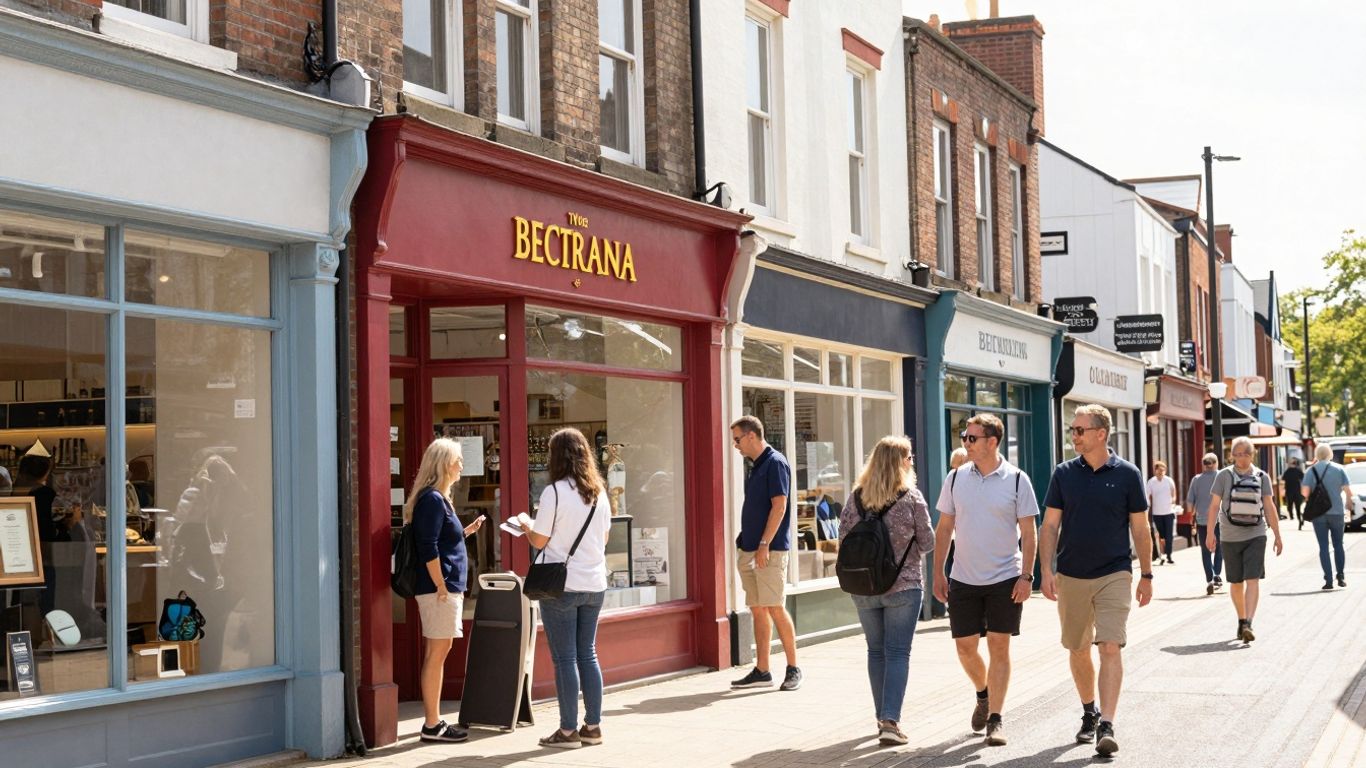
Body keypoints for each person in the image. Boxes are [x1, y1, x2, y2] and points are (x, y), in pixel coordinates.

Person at [1039, 404, 1152, 758]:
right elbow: (1050, 526)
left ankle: (1108, 724)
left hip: (1115, 572)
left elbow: (1141, 528)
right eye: (1072, 430)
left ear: (1101, 434)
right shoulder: (1063, 474)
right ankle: (1089, 711)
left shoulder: (1128, 474)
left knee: (1110, 646)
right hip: (1071, 574)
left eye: (1079, 430)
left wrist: (1147, 574)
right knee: (1078, 648)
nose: (1073, 435)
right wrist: (1045, 571)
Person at [932, 414, 1037, 747]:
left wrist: (1027, 576)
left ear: (992, 442)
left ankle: (996, 718)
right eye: (965, 437)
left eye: (972, 438)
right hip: (963, 578)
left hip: (1005, 577)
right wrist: (938, 572)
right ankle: (983, 693)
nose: (966, 442)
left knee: (999, 646)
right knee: (965, 649)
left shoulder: (1017, 480)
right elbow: (944, 528)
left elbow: (1029, 532)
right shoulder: (955, 478)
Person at [840, 436, 934, 747]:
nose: (912, 462)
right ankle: (891, 721)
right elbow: (928, 542)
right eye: (909, 457)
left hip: (863, 586)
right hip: (903, 586)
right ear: (899, 462)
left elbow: (843, 539)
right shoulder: (911, 498)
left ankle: (882, 718)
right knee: (897, 652)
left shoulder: (855, 499)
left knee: (875, 651)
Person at [521, 428, 612, 748]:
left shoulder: (554, 492)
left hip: (562, 586)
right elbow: (604, 539)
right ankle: (593, 727)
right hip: (594, 583)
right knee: (588, 653)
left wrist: (526, 526)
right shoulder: (599, 492)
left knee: (565, 659)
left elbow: (539, 540)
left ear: (556, 457)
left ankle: (568, 731)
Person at [407, 438, 483, 743]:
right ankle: (432, 724)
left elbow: (442, 541)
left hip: (444, 587)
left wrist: (465, 532)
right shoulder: (433, 500)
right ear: (443, 464)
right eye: (457, 460)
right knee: (437, 654)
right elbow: (428, 547)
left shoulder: (438, 499)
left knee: (438, 652)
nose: (461, 465)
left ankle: (433, 722)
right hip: (439, 589)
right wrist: (440, 584)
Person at [729, 415, 801, 692]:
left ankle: (793, 668)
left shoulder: (775, 463)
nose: (735, 445)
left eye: (737, 439)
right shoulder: (756, 465)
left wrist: (763, 544)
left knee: (775, 607)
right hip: (749, 548)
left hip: (768, 550)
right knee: (758, 608)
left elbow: (779, 506)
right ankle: (762, 670)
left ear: (751, 436)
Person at [1206, 436, 1282, 643]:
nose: (1241, 458)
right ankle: (1241, 620)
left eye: (1245, 454)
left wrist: (1277, 534)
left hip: (1256, 534)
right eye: (1237, 454)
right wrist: (1210, 533)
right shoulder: (1223, 476)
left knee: (1252, 579)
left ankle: (1248, 622)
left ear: (1252, 454)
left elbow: (1269, 506)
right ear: (1232, 455)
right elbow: (1214, 506)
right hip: (1230, 536)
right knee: (1236, 581)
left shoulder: (1262, 476)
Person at [1301, 443, 1353, 590]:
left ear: (1316, 454)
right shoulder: (1339, 469)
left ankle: (1328, 580)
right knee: (1338, 544)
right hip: (1337, 512)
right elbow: (1348, 492)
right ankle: (1341, 576)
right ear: (1330, 454)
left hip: (1318, 514)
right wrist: (1348, 506)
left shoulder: (1311, 471)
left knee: (1323, 546)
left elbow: (1305, 493)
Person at [1187, 454, 1224, 595]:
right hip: (1219, 519)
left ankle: (1210, 579)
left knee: (1205, 549)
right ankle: (1217, 574)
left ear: (1204, 465)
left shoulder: (1196, 479)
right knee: (1220, 547)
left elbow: (1190, 502)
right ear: (1216, 463)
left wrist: (1191, 516)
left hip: (1202, 520)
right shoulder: (1221, 476)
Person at [1146, 461, 1178, 565]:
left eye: (1163, 470)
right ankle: (1162, 554)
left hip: (1169, 512)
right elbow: (1147, 496)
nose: (1161, 472)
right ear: (1155, 471)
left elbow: (1174, 493)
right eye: (1159, 470)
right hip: (1157, 513)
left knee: (1169, 535)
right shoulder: (1151, 482)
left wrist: (1173, 500)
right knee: (1161, 535)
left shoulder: (1169, 480)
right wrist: (1147, 507)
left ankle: (1169, 555)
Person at [1282, 457, 1305, 527]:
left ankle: (1291, 515)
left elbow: (1283, 478)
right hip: (1297, 491)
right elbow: (1303, 477)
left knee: (1290, 504)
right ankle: (1299, 518)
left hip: (1289, 490)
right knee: (1298, 505)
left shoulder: (1287, 471)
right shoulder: (1298, 470)